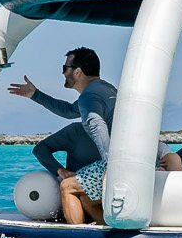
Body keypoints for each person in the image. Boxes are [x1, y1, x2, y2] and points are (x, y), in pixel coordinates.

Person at [9, 47, 116, 225]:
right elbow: (68, 111)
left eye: (65, 68)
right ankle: (106, 232)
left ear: (78, 71)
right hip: (124, 159)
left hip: (116, 162)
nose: (63, 73)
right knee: (85, 197)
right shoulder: (103, 89)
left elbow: (97, 126)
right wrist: (35, 95)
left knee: (68, 186)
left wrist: (110, 165)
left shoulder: (89, 96)